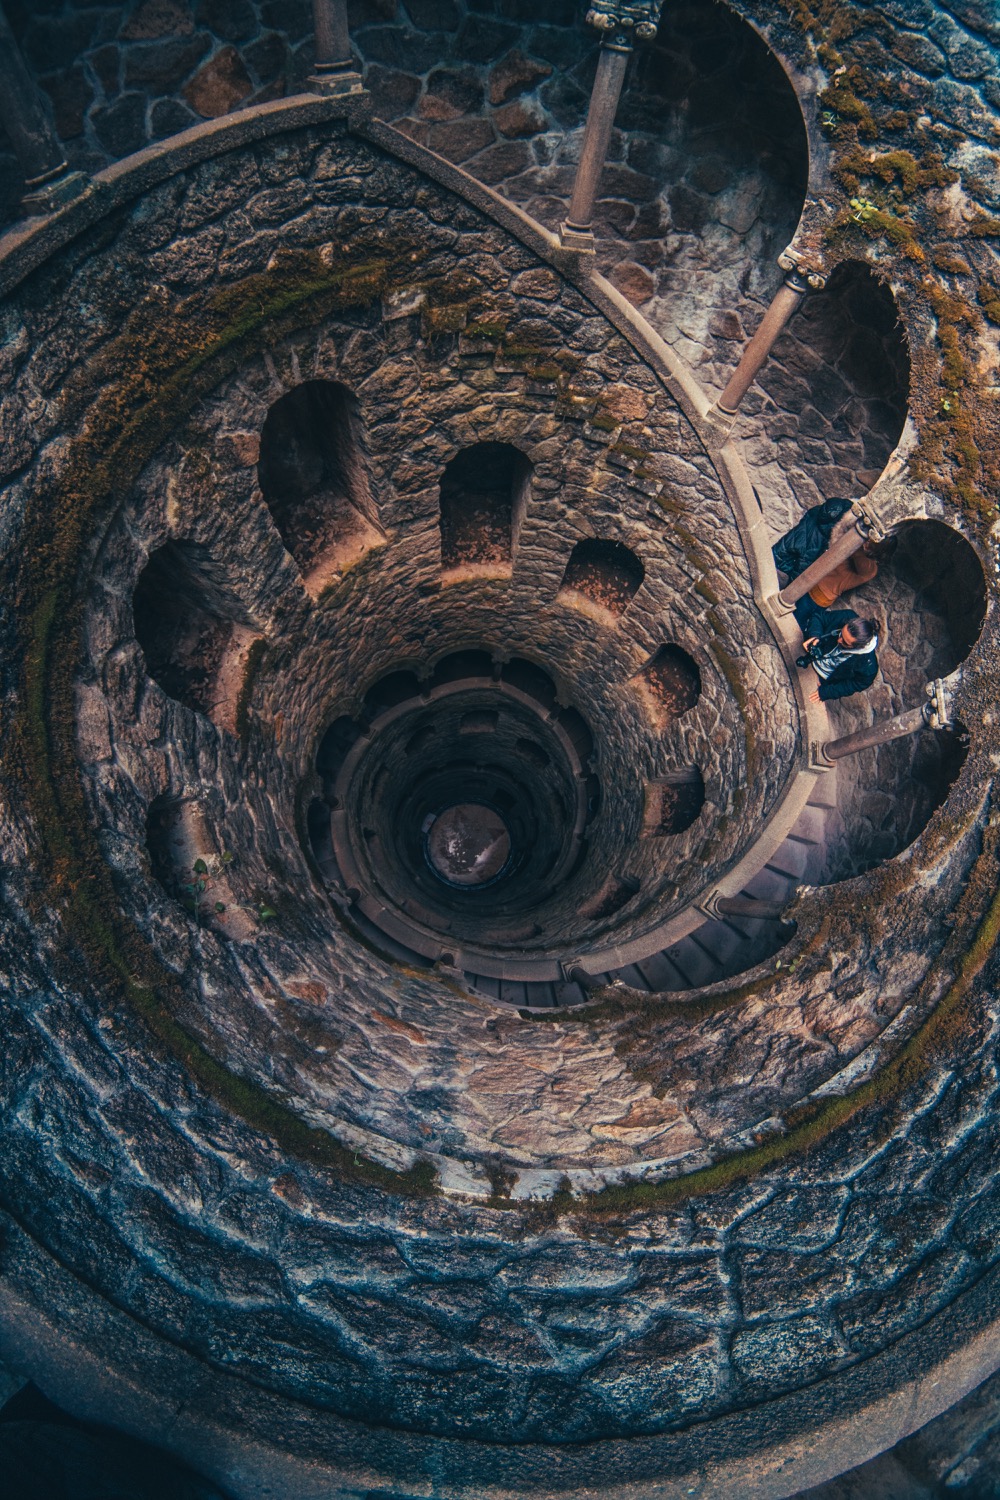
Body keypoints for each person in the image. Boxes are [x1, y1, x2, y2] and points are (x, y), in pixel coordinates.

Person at [794, 596, 880, 703]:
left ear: (859, 647)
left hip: (822, 679)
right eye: (840, 633)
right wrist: (814, 635)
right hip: (811, 651)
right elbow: (819, 617)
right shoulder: (847, 616)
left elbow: (856, 684)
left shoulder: (869, 667)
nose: (839, 640)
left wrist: (828, 691)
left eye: (845, 642)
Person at [772, 495, 853, 583]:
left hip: (776, 554)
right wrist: (790, 586)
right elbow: (804, 563)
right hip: (782, 569)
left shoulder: (820, 511)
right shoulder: (824, 535)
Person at [807, 533, 897, 608]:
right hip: (813, 581)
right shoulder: (862, 553)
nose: (871, 538)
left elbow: (860, 557)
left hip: (821, 595)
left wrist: (865, 544)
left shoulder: (870, 568)